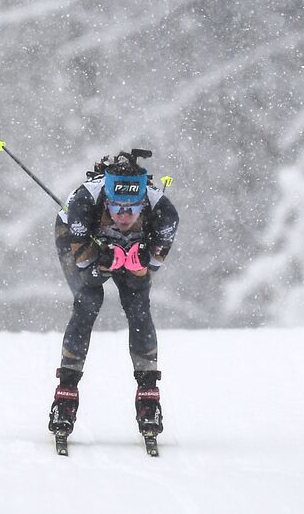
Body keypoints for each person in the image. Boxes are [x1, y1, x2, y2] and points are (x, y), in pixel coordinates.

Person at [47, 148, 179, 440]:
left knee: (137, 304)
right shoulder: (83, 206)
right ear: (105, 200)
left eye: (132, 209)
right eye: (116, 207)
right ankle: (65, 396)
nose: (123, 215)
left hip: (130, 248)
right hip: (75, 234)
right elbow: (87, 273)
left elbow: (147, 275)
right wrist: (101, 264)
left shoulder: (164, 216)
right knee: (89, 301)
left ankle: (148, 396)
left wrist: (138, 262)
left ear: (143, 204)